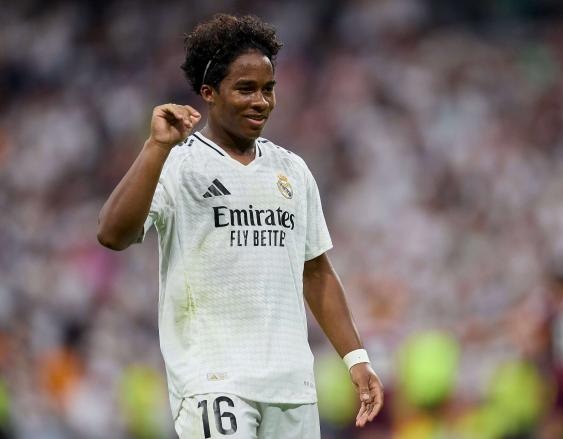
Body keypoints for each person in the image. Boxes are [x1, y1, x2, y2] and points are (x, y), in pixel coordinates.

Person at [96, 13, 384, 439]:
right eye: (245, 89)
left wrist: (356, 359)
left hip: (291, 385)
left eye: (268, 89)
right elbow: (111, 234)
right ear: (209, 93)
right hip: (215, 381)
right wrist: (157, 146)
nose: (261, 101)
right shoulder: (178, 165)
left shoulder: (293, 170)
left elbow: (317, 272)